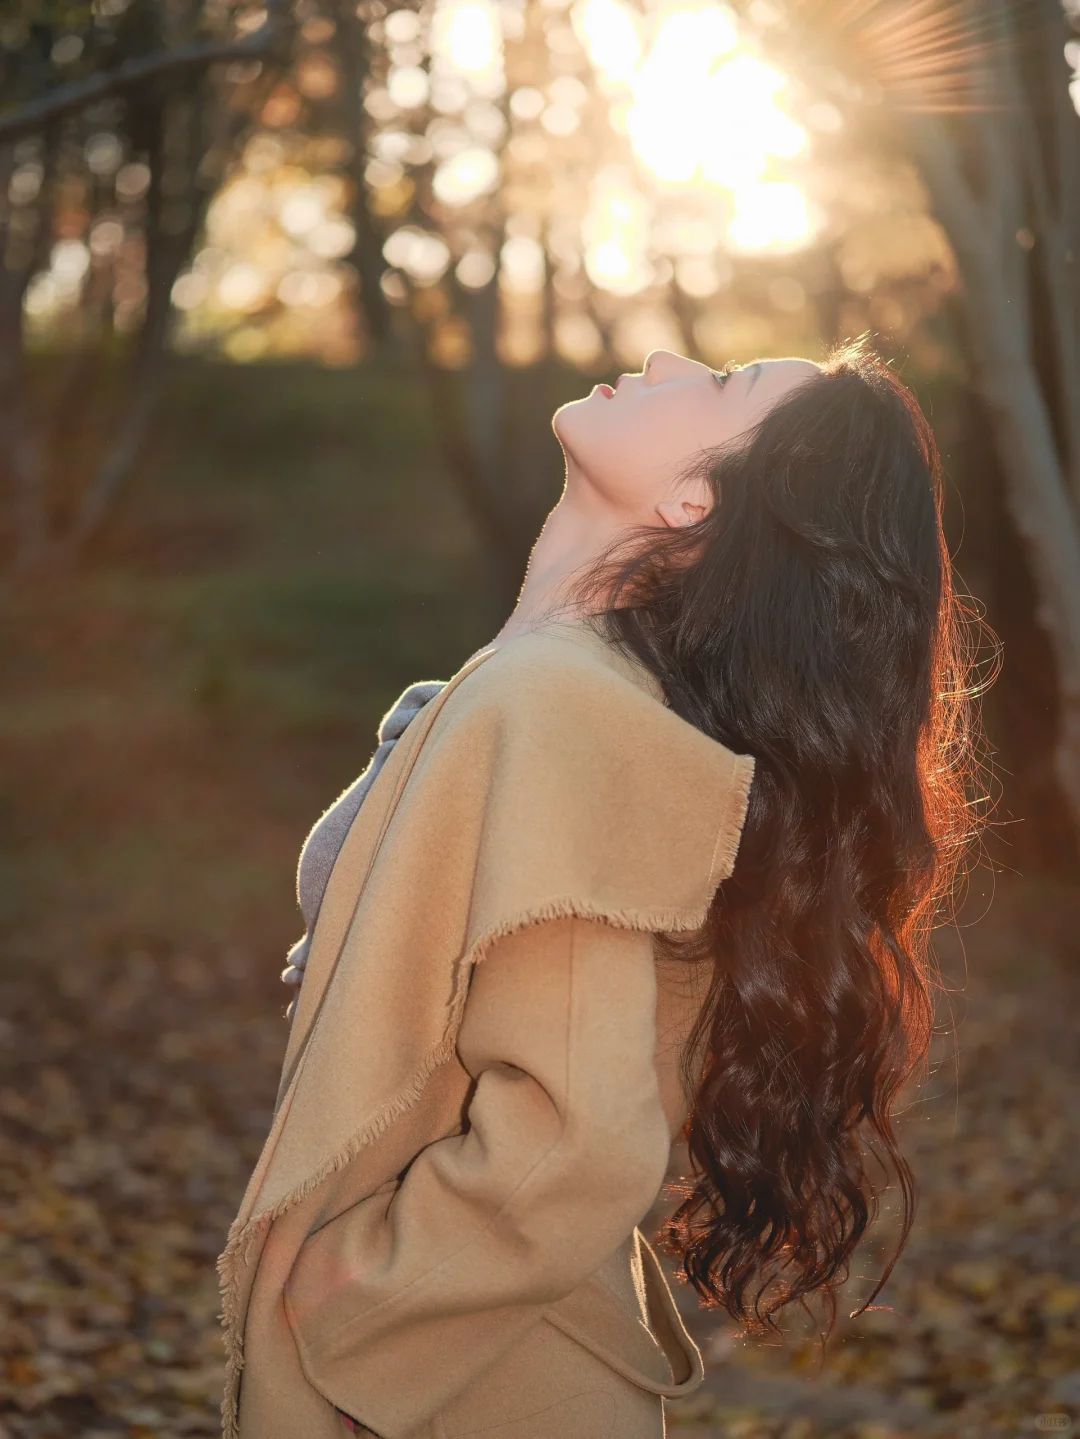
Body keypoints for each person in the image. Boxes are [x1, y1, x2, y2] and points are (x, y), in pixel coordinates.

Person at [217, 342, 985, 1439]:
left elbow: (576, 1143)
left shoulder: (569, 711)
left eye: (717, 383)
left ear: (695, 499)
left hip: (454, 1382)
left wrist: (332, 1307)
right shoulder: (543, 686)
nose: (667, 354)